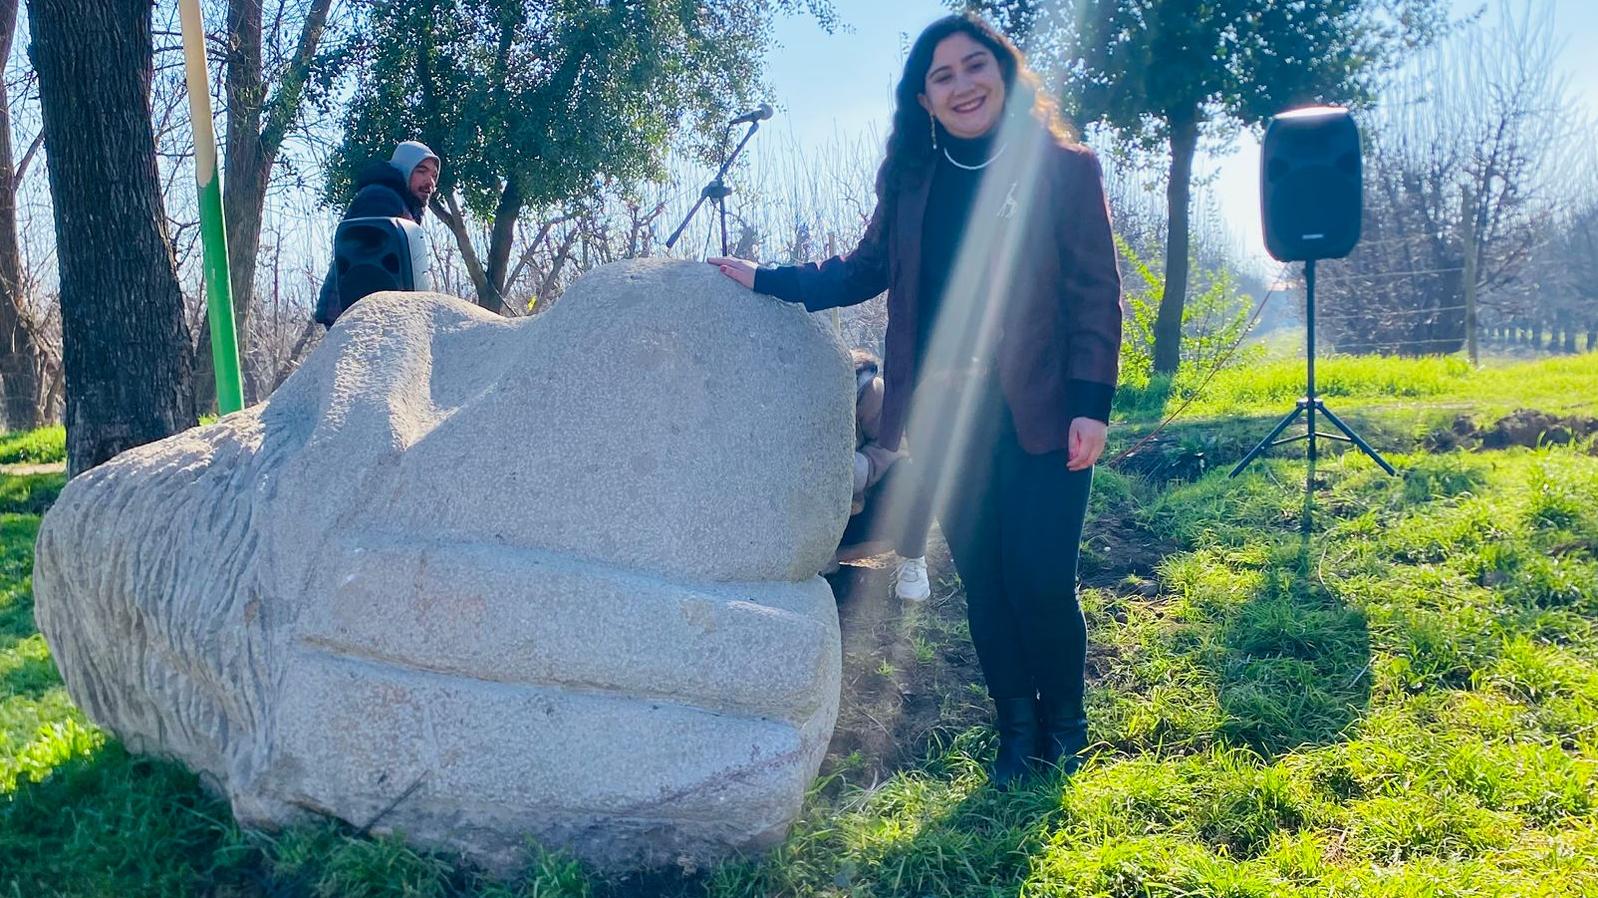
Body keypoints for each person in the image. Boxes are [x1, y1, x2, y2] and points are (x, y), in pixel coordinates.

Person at [709, 13, 1121, 788]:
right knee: (988, 583)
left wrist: (1091, 403)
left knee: (1038, 578)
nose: (962, 84)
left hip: (1042, 412)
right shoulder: (911, 182)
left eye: (974, 66)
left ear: (1004, 72)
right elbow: (861, 270)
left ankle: (1066, 727)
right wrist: (769, 278)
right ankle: (1015, 731)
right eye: (942, 76)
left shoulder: (1063, 170)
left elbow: (1096, 295)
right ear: (925, 100)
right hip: (945, 419)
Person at [314, 140, 441, 328]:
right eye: (421, 171)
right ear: (404, 169)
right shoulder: (380, 199)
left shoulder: (399, 202)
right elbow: (370, 271)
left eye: (434, 176)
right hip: (357, 317)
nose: (429, 182)